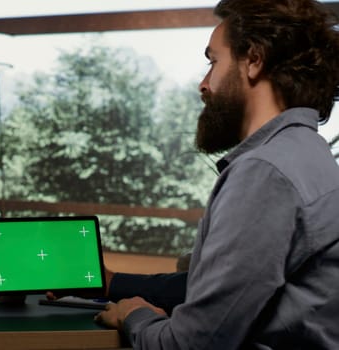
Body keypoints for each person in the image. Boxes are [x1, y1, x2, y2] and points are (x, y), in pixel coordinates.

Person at [92, 0, 339, 348]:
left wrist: (134, 316)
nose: (203, 84)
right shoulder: (306, 154)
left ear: (253, 59)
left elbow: (195, 344)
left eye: (213, 62)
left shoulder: (266, 172)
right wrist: (117, 284)